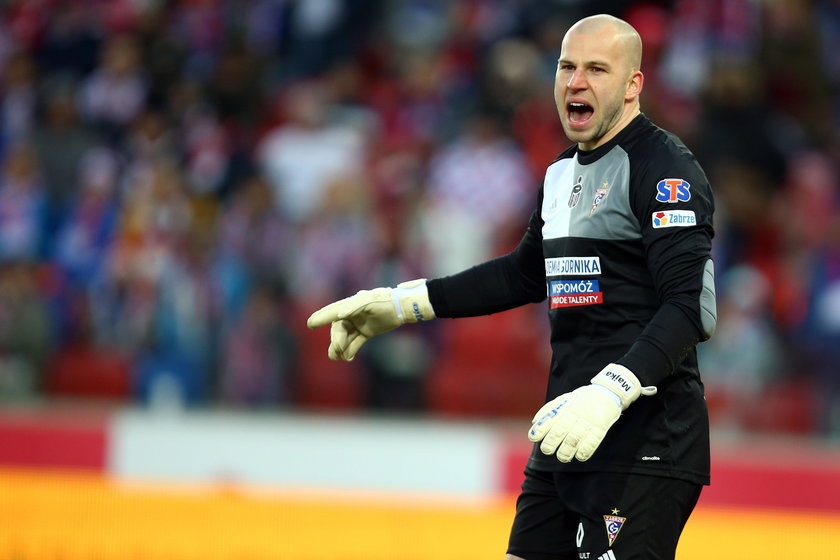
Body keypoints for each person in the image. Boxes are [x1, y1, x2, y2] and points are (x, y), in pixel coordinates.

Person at [307, 14, 716, 560]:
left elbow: (690, 308)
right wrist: (401, 304)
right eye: (567, 67)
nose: (576, 82)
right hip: (564, 429)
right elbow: (525, 273)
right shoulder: (560, 173)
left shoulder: (664, 170)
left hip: (644, 438)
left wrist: (608, 391)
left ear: (633, 84)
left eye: (597, 69)